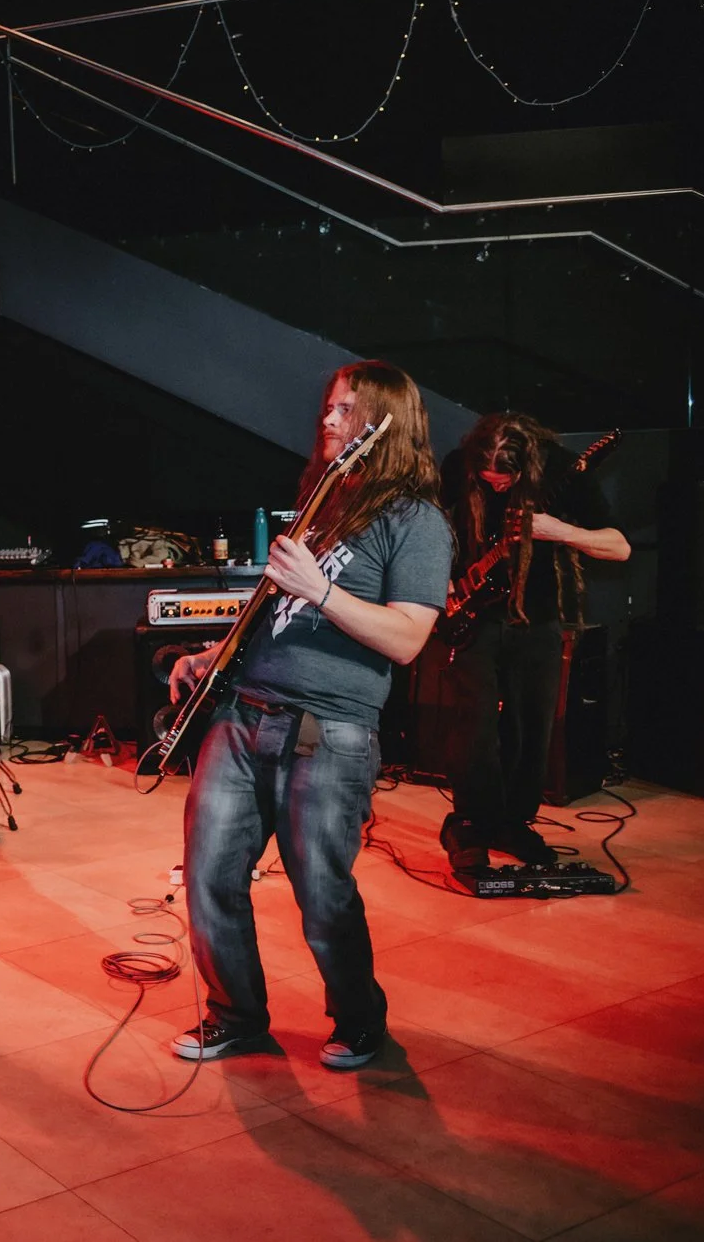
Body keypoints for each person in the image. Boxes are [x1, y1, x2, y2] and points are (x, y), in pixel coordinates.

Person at [167, 361, 452, 1070]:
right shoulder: (327, 499)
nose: (328, 419)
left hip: (328, 732)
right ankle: (236, 1013)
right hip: (243, 714)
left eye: (347, 409)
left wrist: (322, 589)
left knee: (323, 892)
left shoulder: (417, 520)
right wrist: (215, 654)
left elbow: (409, 637)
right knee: (207, 874)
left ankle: (359, 1019)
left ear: (386, 422)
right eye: (329, 406)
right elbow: (280, 610)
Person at [437, 412, 629, 870]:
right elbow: (432, 526)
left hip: (537, 615)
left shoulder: (562, 468)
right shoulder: (456, 465)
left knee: (532, 725)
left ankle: (514, 821)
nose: (497, 488)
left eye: (506, 480)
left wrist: (555, 530)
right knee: (475, 724)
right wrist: (442, 581)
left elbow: (618, 546)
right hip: (472, 615)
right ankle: (471, 823)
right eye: (488, 480)